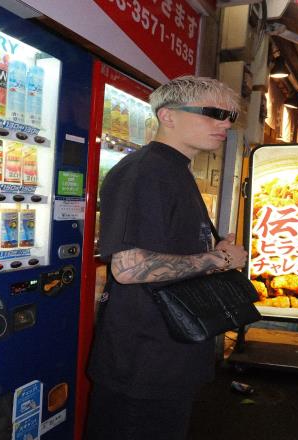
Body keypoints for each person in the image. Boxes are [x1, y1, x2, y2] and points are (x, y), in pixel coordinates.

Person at [84, 76, 248, 440]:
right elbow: (128, 268)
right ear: (168, 115)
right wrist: (218, 259)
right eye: (213, 113)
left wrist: (211, 250)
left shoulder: (174, 169)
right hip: (143, 360)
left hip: (169, 351)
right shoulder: (145, 172)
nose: (225, 124)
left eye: (230, 116)